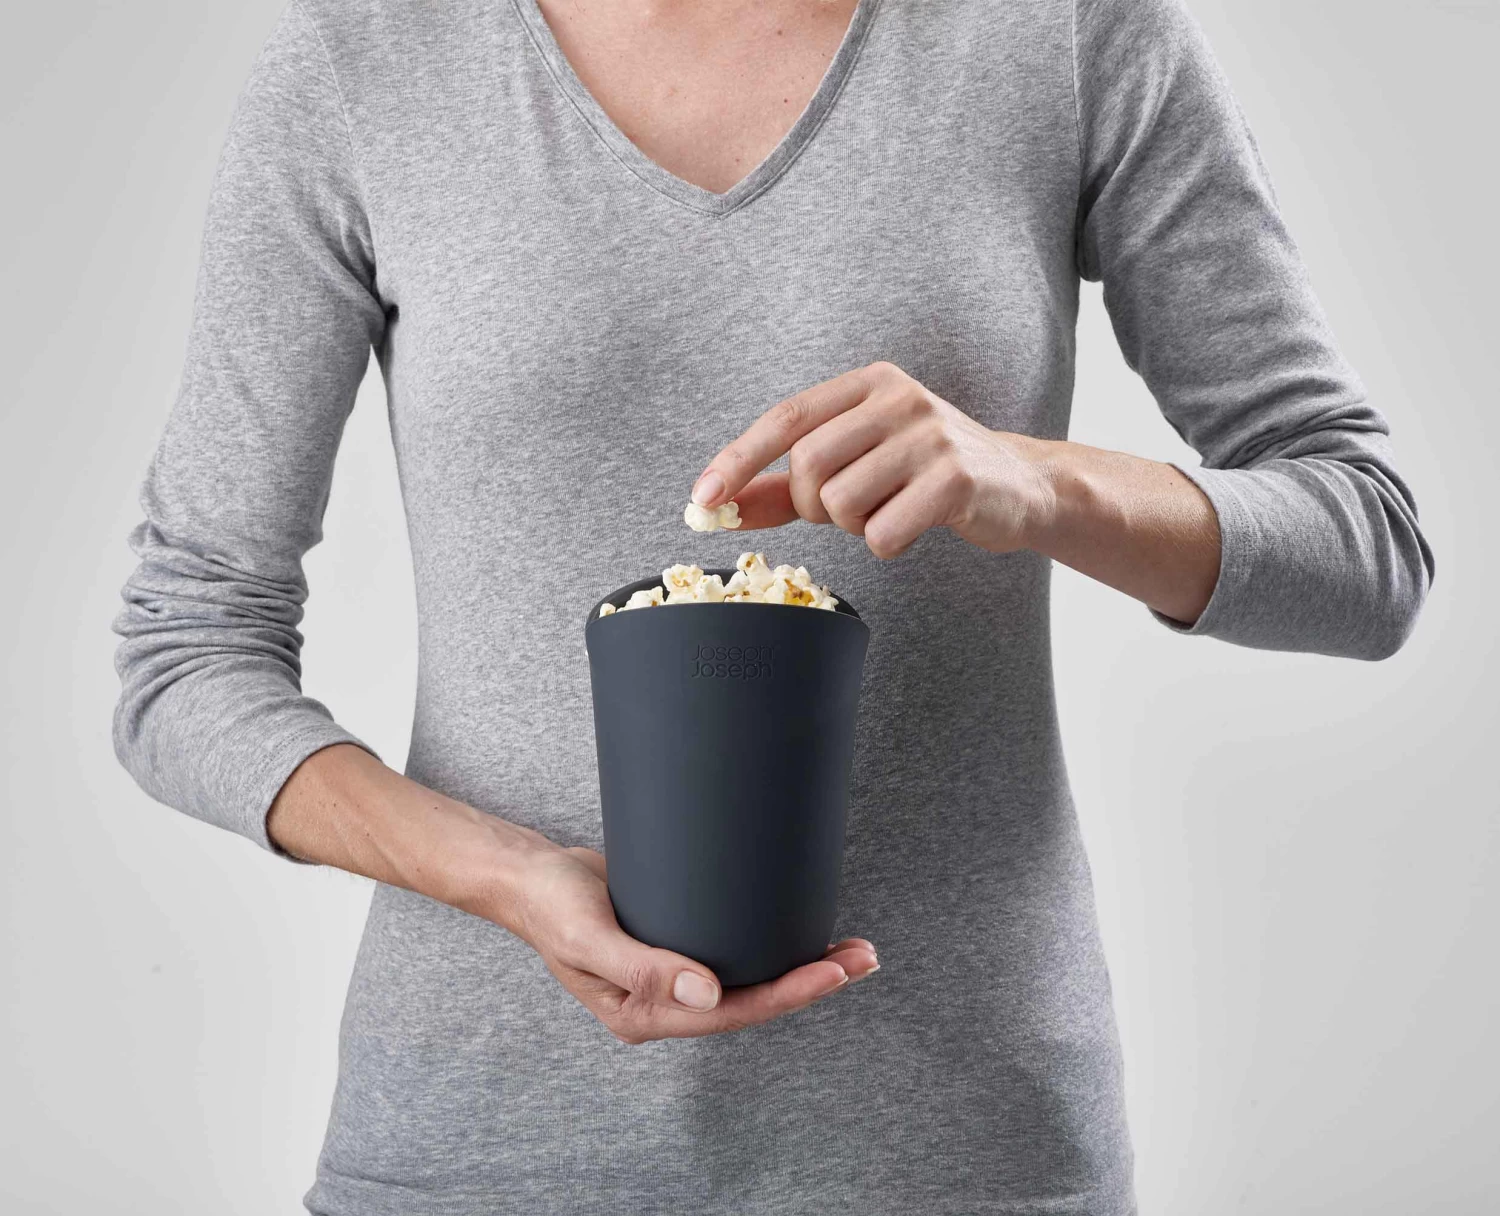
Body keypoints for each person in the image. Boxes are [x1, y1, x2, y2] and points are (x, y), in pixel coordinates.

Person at [111, 0, 1433, 1211]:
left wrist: (1036, 480)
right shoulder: (361, 63)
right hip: (479, 1152)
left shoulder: (1068, 34)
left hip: (965, 1151)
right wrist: (504, 876)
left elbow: (1364, 548)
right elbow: (187, 651)